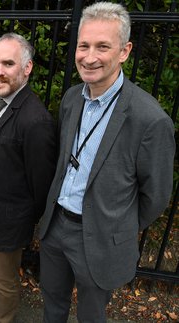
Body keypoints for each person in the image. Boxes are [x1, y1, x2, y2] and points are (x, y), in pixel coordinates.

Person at [38, 2, 176, 322]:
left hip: (101, 239)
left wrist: (116, 225)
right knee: (52, 305)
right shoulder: (72, 98)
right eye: (83, 45)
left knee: (92, 316)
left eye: (103, 46)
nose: (89, 56)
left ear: (125, 51)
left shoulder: (150, 119)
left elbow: (155, 197)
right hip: (56, 227)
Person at [0, 33, 57, 323]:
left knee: (4, 278)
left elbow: (41, 184)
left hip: (6, 214)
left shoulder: (35, 119)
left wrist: (22, 219)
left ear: (27, 68)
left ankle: (0, 319)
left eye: (8, 63)